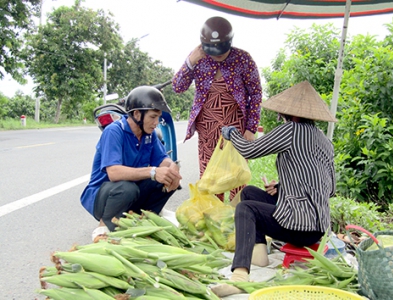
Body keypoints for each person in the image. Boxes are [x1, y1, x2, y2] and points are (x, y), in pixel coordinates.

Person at [211, 81, 337, 297]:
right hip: (318, 228)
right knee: (249, 192)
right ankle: (259, 254)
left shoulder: (290, 130)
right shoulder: (325, 141)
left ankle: (240, 276)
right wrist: (281, 187)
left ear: (289, 114)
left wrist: (233, 135)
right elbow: (329, 188)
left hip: (299, 227)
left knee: (246, 209)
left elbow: (249, 150)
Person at [172, 16, 262, 201]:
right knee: (210, 179)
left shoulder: (243, 59)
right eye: (212, 51)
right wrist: (190, 61)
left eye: (221, 49)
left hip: (237, 131)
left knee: (236, 178)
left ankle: (236, 222)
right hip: (207, 131)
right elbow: (178, 87)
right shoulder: (198, 59)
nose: (217, 55)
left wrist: (251, 128)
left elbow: (256, 94)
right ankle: (213, 222)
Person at [80, 86, 182, 242]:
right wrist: (153, 171)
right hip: (104, 195)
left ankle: (145, 219)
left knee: (166, 178)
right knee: (128, 188)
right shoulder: (114, 131)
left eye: (158, 118)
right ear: (136, 114)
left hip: (129, 191)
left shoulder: (149, 135)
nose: (156, 123)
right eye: (153, 117)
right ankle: (103, 226)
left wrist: (171, 166)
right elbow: (114, 173)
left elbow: (162, 160)